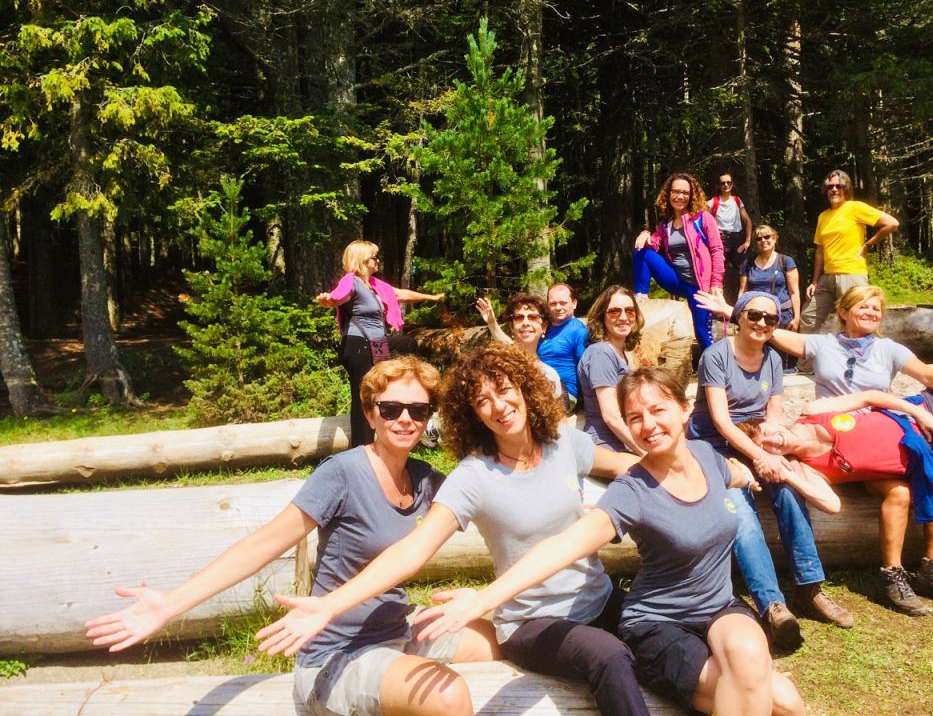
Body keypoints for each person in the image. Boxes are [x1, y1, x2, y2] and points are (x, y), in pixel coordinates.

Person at [84, 357, 498, 716]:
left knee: (494, 640)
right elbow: (263, 544)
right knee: (447, 696)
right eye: (390, 409)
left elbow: (497, 505)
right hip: (338, 652)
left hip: (398, 631)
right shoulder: (343, 473)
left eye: (417, 410)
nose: (405, 419)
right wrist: (170, 604)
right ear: (369, 414)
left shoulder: (424, 479)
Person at [254, 344, 651, 716]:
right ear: (471, 414)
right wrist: (329, 604)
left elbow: (620, 465)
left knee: (672, 630)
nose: (499, 406)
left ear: (526, 389)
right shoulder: (472, 476)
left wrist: (690, 465)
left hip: (596, 597)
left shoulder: (565, 442)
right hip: (535, 619)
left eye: (504, 390)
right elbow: (413, 550)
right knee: (609, 656)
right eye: (482, 401)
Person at [413, 366, 818, 716]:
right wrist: (485, 600)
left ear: (684, 409)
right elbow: (565, 545)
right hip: (565, 618)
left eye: (658, 410)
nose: (648, 423)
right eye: (635, 417)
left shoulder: (697, 456)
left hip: (640, 604)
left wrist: (747, 470)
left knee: (781, 692)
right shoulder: (480, 475)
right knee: (616, 657)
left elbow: (675, 468)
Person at [697, 284, 933, 614]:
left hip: (894, 418)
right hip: (867, 448)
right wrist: (734, 313)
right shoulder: (819, 349)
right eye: (862, 307)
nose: (870, 313)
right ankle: (895, 575)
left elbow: (910, 380)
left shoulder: (885, 350)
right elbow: (768, 333)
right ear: (843, 312)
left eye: (876, 309)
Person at [740, 385, 933, 612]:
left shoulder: (812, 411)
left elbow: (871, 396)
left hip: (910, 419)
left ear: (769, 422)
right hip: (925, 454)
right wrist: (788, 476)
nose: (772, 440)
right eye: (764, 447)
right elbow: (832, 505)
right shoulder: (806, 467)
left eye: (766, 432)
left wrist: (920, 414)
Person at [687, 292, 852, 647]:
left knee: (789, 492)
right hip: (712, 444)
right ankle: (772, 604)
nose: (762, 323)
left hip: (755, 439)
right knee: (741, 510)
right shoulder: (716, 355)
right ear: (739, 317)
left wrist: (773, 448)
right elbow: (721, 420)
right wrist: (758, 459)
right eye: (755, 316)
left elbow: (773, 413)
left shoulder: (773, 359)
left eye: (771, 319)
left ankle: (809, 588)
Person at [317, 240, 445, 446]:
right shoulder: (351, 281)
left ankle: (413, 404)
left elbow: (400, 294)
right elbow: (338, 297)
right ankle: (361, 449)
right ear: (362, 259)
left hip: (377, 343)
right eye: (374, 257)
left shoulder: (375, 285)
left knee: (408, 345)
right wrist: (327, 301)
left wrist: (433, 298)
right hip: (358, 346)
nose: (378, 261)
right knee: (363, 398)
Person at [799, 170, 899, 342]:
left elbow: (891, 223)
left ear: (847, 188)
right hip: (827, 277)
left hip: (851, 274)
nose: (834, 190)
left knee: (857, 320)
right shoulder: (823, 216)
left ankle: (866, 363)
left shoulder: (855, 208)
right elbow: (820, 251)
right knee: (808, 319)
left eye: (839, 186)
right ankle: (805, 367)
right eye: (830, 186)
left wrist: (868, 244)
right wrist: (814, 281)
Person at [633, 172, 725, 352]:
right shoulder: (666, 224)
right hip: (677, 280)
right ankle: (640, 298)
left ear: (692, 196)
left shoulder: (703, 218)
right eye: (676, 191)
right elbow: (654, 242)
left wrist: (716, 282)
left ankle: (717, 371)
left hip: (699, 286)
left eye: (685, 192)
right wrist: (645, 234)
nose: (680, 196)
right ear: (668, 194)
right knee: (641, 250)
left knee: (702, 333)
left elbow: (717, 249)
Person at [578, 285, 646, 455]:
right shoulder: (601, 353)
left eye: (630, 311)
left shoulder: (621, 353)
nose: (623, 317)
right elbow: (611, 416)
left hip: (622, 440)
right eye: (614, 312)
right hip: (606, 443)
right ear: (602, 316)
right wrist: (644, 452)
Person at [476, 293, 563, 399]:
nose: (525, 322)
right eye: (519, 317)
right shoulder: (496, 368)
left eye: (533, 317)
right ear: (512, 327)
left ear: (544, 327)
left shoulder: (550, 376)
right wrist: (492, 323)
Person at [739, 225, 800, 333]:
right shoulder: (748, 263)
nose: (763, 240)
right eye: (759, 238)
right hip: (756, 317)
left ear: (775, 238)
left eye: (767, 237)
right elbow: (743, 291)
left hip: (782, 316)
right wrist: (739, 315)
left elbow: (794, 292)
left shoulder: (786, 261)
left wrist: (796, 318)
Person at [538, 283, 589, 410]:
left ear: (574, 303)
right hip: (540, 387)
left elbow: (587, 368)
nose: (558, 307)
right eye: (553, 303)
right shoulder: (542, 327)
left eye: (563, 303)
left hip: (565, 395)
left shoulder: (578, 331)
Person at [709, 172, 753, 277]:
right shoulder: (712, 202)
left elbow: (748, 221)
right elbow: (702, 220)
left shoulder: (737, 200)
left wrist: (747, 241)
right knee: (718, 270)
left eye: (728, 182)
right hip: (720, 240)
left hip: (736, 239)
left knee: (744, 268)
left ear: (732, 184)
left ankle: (745, 292)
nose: (726, 185)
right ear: (719, 186)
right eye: (722, 183)